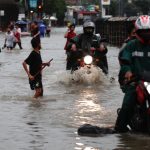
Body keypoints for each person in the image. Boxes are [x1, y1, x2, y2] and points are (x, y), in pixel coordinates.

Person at [114, 15, 150, 132]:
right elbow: (125, 61)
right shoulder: (131, 45)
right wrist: (128, 71)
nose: (145, 34)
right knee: (127, 104)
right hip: (135, 81)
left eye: (148, 31)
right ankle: (120, 128)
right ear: (137, 31)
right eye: (143, 31)